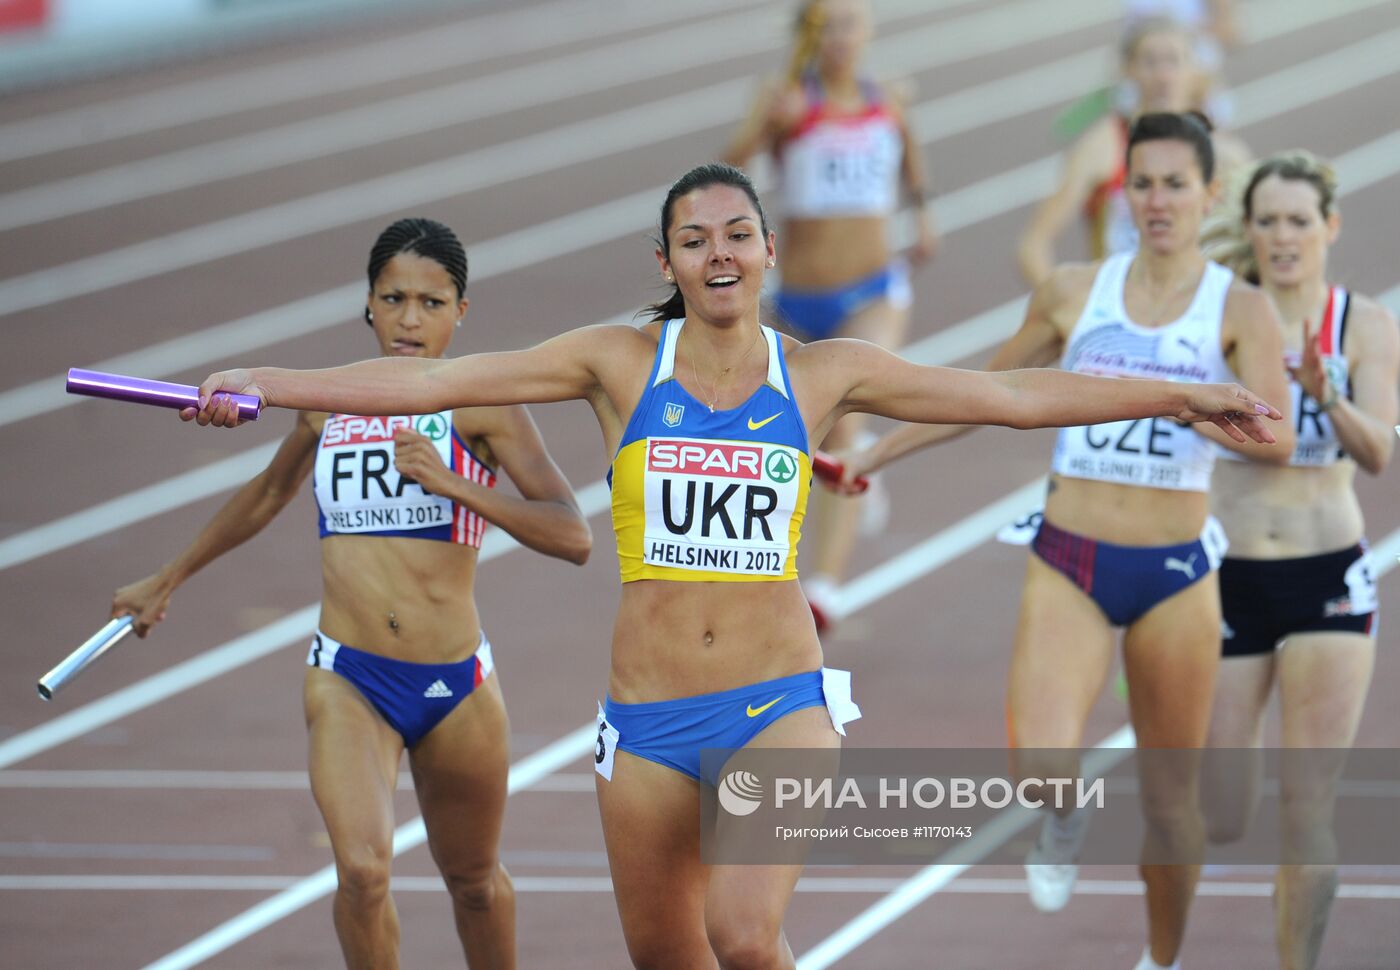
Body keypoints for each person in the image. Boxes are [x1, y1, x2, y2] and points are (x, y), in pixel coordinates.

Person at [185, 162, 1281, 970]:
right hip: (647, 718)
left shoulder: (821, 374)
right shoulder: (615, 362)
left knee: (744, 937)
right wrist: (270, 382)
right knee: (673, 959)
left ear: (765, 254)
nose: (718, 253)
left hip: (775, 702)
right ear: (664, 263)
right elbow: (433, 383)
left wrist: (1181, 391)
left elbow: (1008, 398)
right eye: (694, 238)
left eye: (736, 234)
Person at [828, 114, 1295, 970]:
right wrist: (875, 451)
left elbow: (1279, 439)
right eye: (1141, 183)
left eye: (1175, 184)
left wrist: (1202, 406)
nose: (1157, 201)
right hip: (1072, 557)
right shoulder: (1076, 293)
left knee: (1170, 804)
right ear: (1120, 191)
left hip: (1175, 574)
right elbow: (983, 391)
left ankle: (1162, 958)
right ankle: (1065, 810)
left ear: (1209, 195)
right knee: (1042, 766)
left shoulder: (1241, 309)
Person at [111, 218, 592, 970]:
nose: (409, 319)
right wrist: (165, 578)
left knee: (471, 882)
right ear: (367, 303)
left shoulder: (485, 407)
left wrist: (452, 481)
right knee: (363, 871)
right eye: (392, 298)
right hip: (349, 676)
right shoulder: (327, 402)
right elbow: (268, 494)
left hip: (456, 684)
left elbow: (572, 534)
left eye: (432, 303)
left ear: (462, 312)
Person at [1198, 151, 1398, 970]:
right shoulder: (1220, 317)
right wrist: (1237, 415)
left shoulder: (1364, 325)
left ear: (1329, 228)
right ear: (1248, 231)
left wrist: (1326, 396)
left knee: (1307, 807)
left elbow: (1380, 453)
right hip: (1229, 576)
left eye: (1299, 221)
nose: (1284, 237)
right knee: (1222, 813)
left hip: (1327, 577)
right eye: (1269, 221)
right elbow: (1175, 415)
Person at [722, 0, 938, 630]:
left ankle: (825, 586)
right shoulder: (786, 100)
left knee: (843, 415)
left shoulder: (886, 99)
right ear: (810, 35)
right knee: (777, 426)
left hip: (873, 288)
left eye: (852, 24)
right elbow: (727, 173)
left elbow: (911, 155)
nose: (843, 37)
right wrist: (767, 123)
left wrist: (923, 213)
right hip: (797, 297)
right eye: (830, 26)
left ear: (866, 32)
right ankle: (856, 454)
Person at [1019, 17, 1248, 288]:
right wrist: (1071, 315)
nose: (1163, 75)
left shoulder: (1223, 152)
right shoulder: (1104, 146)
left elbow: (1252, 239)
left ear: (1195, 71)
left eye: (1173, 61)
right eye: (1150, 62)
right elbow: (1033, 245)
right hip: (1122, 313)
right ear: (1128, 70)